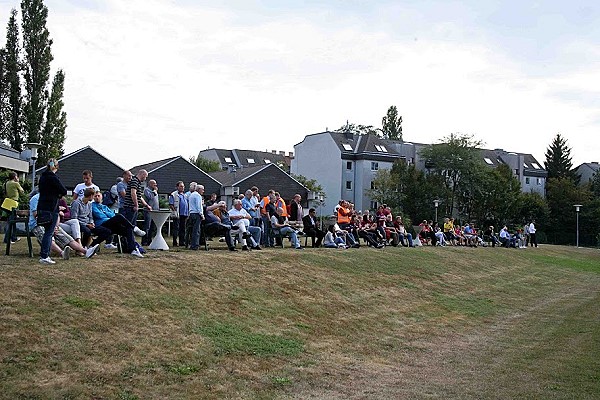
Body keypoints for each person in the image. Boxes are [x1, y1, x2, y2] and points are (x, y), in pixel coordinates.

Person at [29, 192, 99, 260]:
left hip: (51, 223)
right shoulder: (35, 199)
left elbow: (56, 214)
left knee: (67, 238)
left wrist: (55, 226)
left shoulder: (52, 199)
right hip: (37, 224)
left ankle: (86, 252)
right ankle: (62, 253)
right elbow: (36, 215)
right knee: (48, 237)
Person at [91, 191, 145, 257]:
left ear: (101, 197)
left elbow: (112, 215)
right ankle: (134, 228)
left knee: (128, 229)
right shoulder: (92, 206)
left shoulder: (104, 207)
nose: (97, 197)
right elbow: (99, 215)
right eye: (95, 196)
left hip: (111, 225)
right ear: (93, 197)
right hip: (102, 224)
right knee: (119, 216)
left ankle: (133, 250)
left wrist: (105, 213)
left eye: (98, 196)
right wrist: (107, 214)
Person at [36, 158, 68, 264]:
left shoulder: (42, 177)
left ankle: (44, 254)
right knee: (49, 233)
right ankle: (44, 256)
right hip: (51, 207)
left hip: (42, 206)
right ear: (56, 166)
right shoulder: (53, 177)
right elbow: (63, 190)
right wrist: (58, 194)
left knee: (46, 232)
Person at [3, 171, 25, 243]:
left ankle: (14, 237)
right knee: (11, 221)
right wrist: (18, 182)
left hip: (7, 203)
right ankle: (7, 239)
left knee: (10, 221)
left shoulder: (6, 183)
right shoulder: (15, 184)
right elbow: (22, 191)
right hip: (13, 203)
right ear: (15, 177)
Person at [169, 181, 188, 247]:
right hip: (177, 214)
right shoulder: (173, 194)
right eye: (181, 186)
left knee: (183, 229)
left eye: (183, 186)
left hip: (184, 214)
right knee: (176, 228)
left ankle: (182, 242)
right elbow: (171, 204)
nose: (182, 188)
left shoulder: (185, 195)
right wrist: (175, 211)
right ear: (177, 187)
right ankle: (175, 242)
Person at [142, 179, 160, 246]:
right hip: (148, 211)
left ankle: (149, 240)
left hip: (155, 211)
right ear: (150, 184)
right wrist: (155, 192)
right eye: (154, 184)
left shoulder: (154, 191)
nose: (155, 185)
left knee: (152, 227)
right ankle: (144, 241)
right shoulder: (147, 190)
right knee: (147, 226)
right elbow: (150, 197)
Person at [187, 184, 205, 250]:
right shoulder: (198, 196)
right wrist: (201, 214)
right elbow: (198, 206)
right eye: (202, 189)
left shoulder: (191, 195)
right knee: (196, 230)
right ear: (199, 189)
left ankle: (191, 244)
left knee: (192, 230)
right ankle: (195, 245)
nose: (203, 191)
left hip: (191, 213)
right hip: (196, 214)